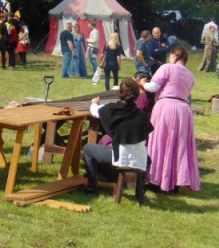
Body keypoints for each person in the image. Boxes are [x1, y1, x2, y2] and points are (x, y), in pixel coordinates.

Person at [81, 78, 154, 203]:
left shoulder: (111, 109)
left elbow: (95, 111)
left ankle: (92, 187)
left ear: (120, 94)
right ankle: (140, 192)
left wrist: (94, 103)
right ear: (137, 97)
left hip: (118, 156)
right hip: (140, 158)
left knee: (87, 149)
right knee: (147, 158)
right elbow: (148, 133)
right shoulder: (141, 116)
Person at [141, 46, 200, 193]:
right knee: (179, 145)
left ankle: (155, 180)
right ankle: (176, 181)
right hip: (184, 110)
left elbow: (152, 87)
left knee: (161, 141)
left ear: (174, 55)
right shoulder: (190, 75)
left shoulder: (167, 68)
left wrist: (142, 83)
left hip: (166, 107)